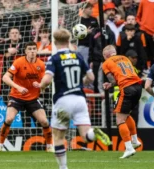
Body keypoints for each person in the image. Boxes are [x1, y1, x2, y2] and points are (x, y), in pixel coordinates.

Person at [33, 28, 111, 169]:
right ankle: (94, 132)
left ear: (55, 42)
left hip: (63, 100)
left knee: (58, 137)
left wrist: (41, 85)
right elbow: (91, 77)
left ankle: (63, 167)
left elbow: (47, 79)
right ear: (69, 41)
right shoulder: (78, 56)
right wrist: (81, 82)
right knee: (85, 135)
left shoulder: (54, 58)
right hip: (80, 99)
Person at [0, 42, 53, 153]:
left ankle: (50, 147)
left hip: (32, 99)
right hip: (17, 97)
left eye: (34, 49)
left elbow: (46, 82)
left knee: (44, 121)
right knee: (9, 119)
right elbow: (5, 78)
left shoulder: (41, 64)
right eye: (29, 49)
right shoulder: (19, 62)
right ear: (25, 51)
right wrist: (18, 87)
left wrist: (41, 85)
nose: (32, 51)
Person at [102, 45, 142, 159]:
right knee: (126, 114)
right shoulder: (125, 58)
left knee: (119, 119)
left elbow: (113, 80)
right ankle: (135, 140)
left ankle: (129, 148)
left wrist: (109, 84)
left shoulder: (106, 63)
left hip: (126, 88)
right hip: (138, 87)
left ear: (106, 55)